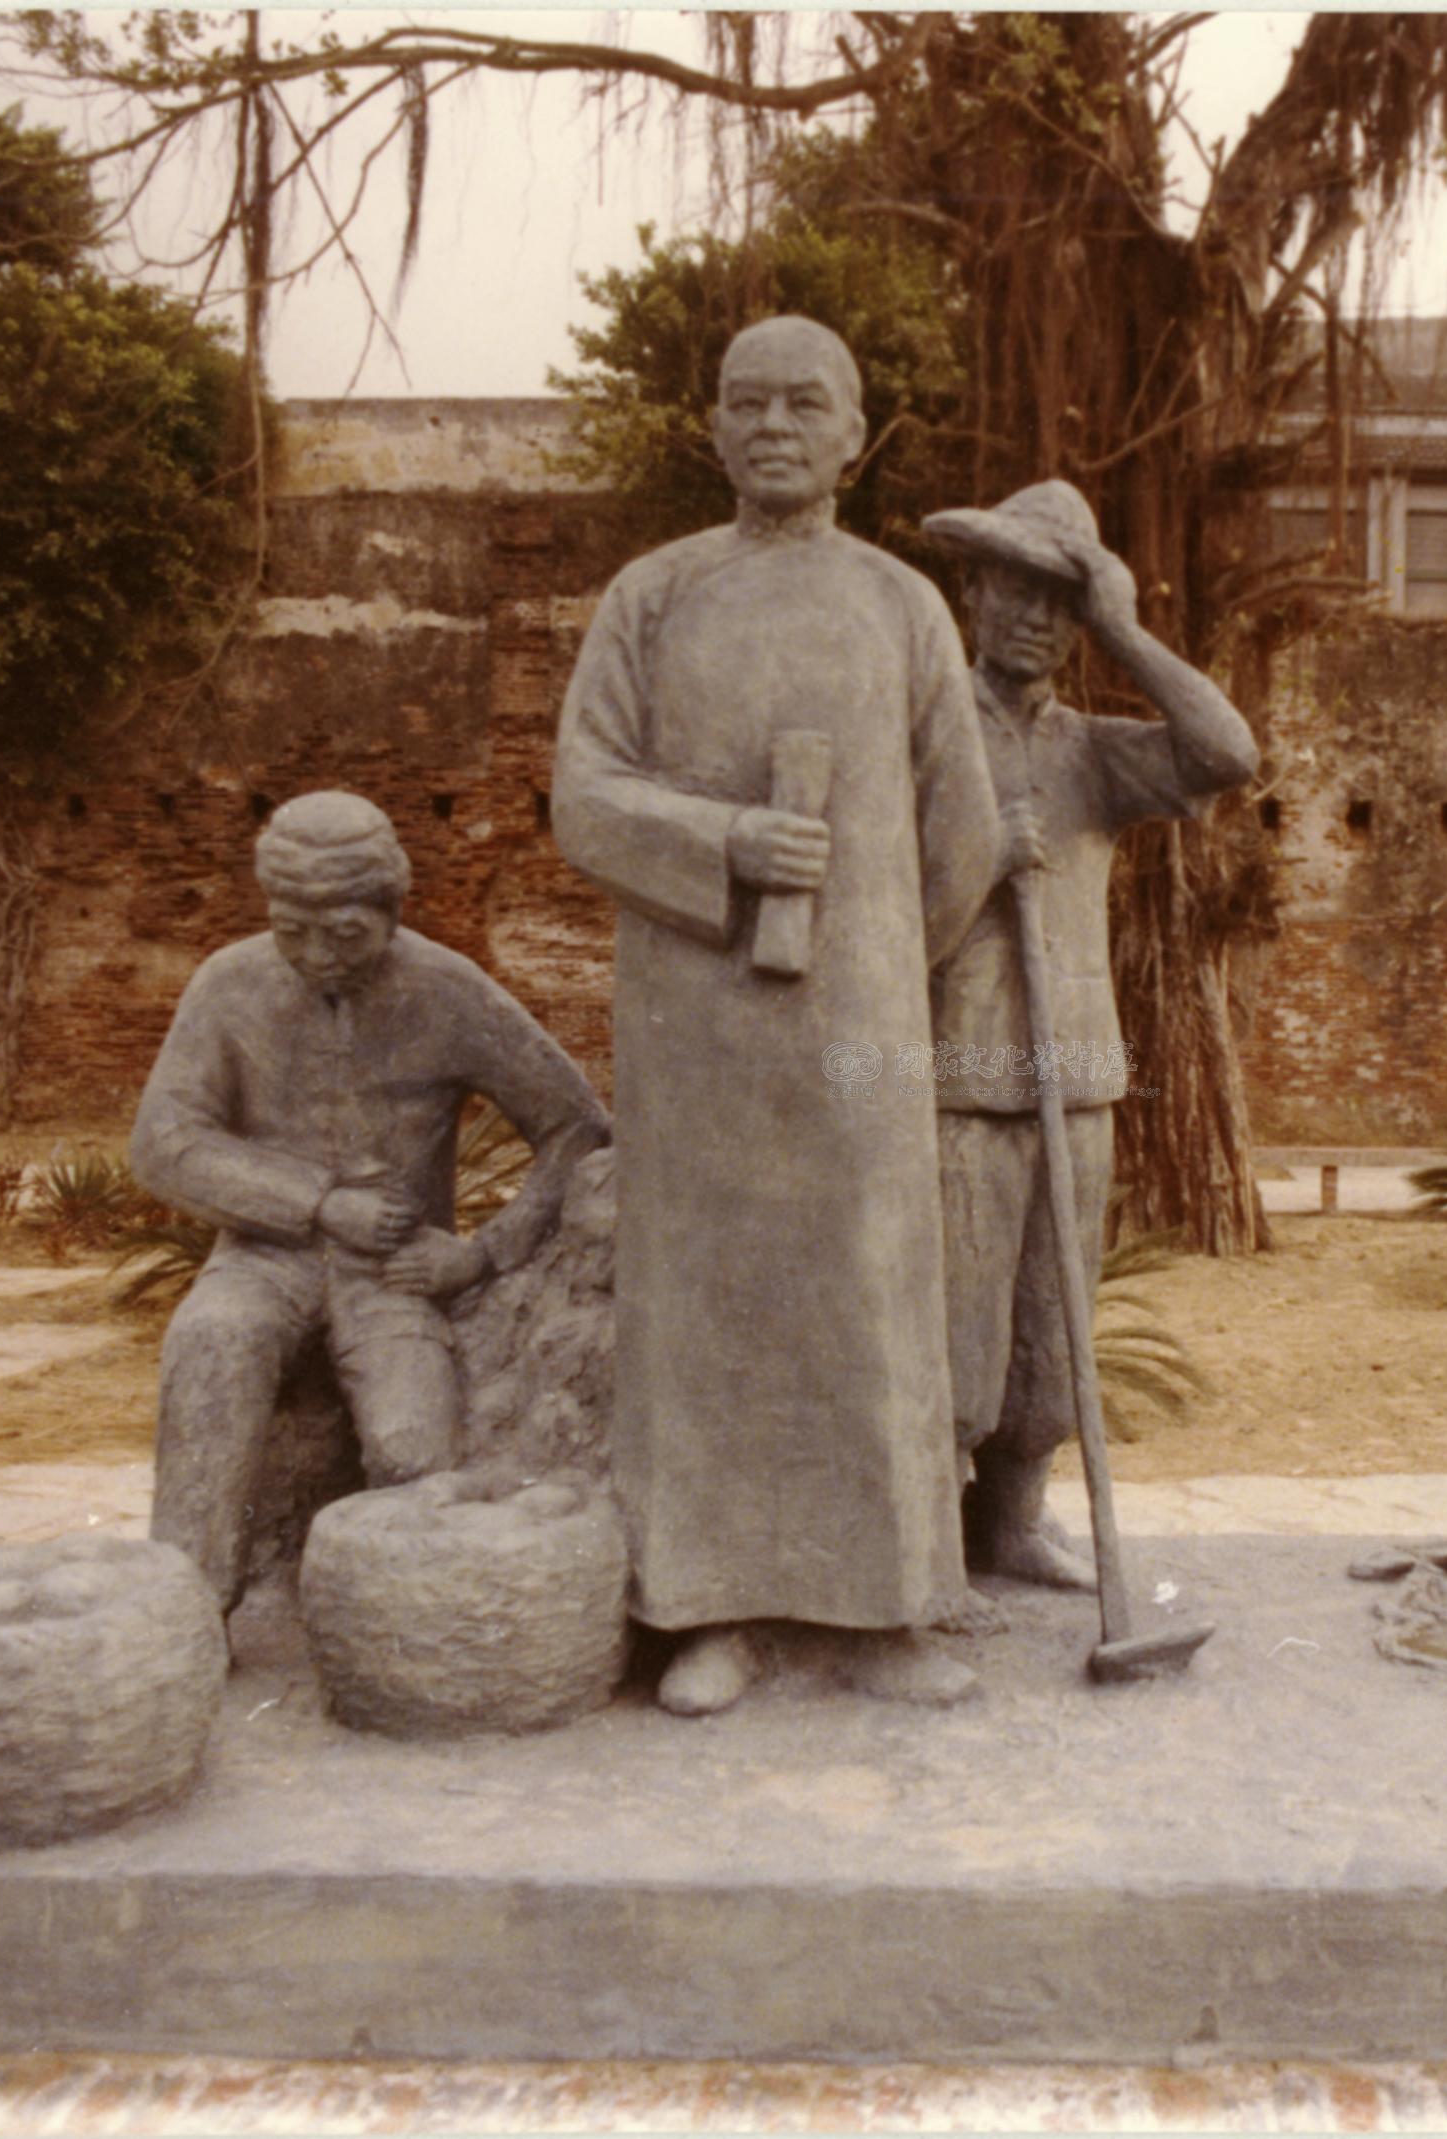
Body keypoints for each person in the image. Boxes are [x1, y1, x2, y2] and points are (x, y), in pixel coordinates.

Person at [553, 317, 1002, 1716]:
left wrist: (874, 959)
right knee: (704, 1306)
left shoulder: (901, 607)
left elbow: (961, 835)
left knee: (868, 1295)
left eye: (805, 404)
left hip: (855, 1029)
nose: (772, 427)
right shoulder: (653, 596)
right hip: (693, 1025)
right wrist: (726, 845)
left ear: (855, 435)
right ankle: (711, 1610)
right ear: (712, 428)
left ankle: (886, 1609)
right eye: (745, 403)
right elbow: (583, 795)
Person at [130, 791, 611, 1612]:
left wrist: (480, 1253)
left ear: (393, 908)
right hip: (260, 1260)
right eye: (293, 931)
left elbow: (577, 1127)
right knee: (211, 1343)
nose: (318, 955)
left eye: (347, 933)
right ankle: (184, 1609)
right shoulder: (229, 985)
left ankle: (391, 1628)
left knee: (411, 1446)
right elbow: (164, 1143)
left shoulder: (446, 990)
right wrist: (317, 1202)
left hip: (392, 1275)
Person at [917, 480, 1258, 1589]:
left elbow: (1227, 754)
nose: (1034, 617)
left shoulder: (1094, 752)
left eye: (1060, 601)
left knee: (1051, 1330)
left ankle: (1015, 1523)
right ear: (971, 591)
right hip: (959, 1077)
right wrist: (979, 858)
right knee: (957, 1329)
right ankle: (929, 1543)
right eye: (1015, 589)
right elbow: (870, 922)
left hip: (1075, 1073)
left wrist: (1125, 628)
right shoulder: (922, 736)